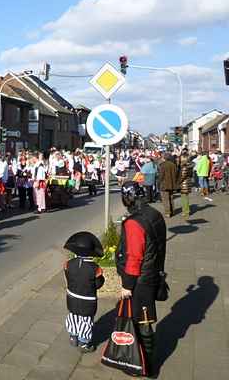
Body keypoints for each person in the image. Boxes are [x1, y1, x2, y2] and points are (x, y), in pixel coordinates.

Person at [116, 181, 167, 378]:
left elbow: (134, 257)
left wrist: (127, 284)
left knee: (143, 324)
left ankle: (146, 367)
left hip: (140, 281)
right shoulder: (154, 213)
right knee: (143, 322)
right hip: (153, 273)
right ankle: (145, 362)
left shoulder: (134, 222)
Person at [63, 232, 105, 352]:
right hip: (88, 301)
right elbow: (98, 284)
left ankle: (73, 337)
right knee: (85, 320)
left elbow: (68, 277)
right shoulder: (95, 268)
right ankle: (84, 343)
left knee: (73, 316)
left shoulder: (68, 264)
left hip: (71, 297)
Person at [178, 153, 193, 220]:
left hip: (184, 184)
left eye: (181, 158)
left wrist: (178, 182)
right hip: (188, 183)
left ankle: (185, 211)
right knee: (186, 198)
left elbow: (182, 176)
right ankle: (187, 210)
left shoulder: (184, 166)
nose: (180, 159)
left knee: (184, 198)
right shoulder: (189, 165)